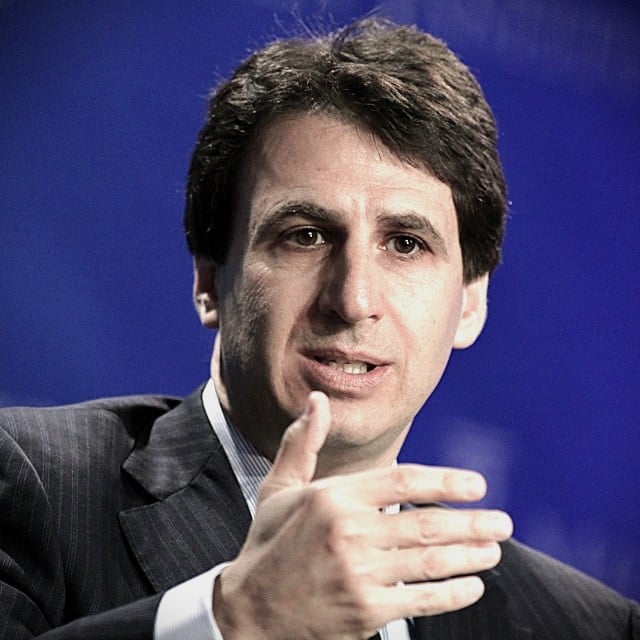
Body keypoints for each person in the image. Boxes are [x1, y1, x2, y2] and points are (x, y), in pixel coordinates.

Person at [0, 16, 637, 640]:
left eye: (406, 244)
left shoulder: (584, 626)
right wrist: (233, 620)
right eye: (305, 236)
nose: (353, 300)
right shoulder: (30, 487)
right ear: (209, 278)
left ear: (471, 302)